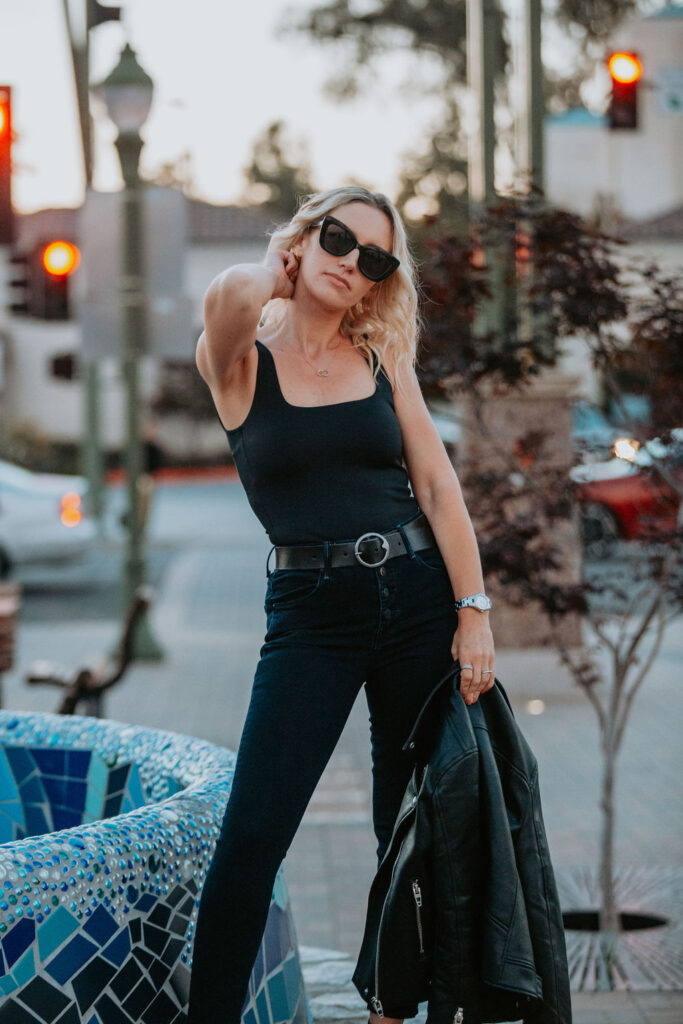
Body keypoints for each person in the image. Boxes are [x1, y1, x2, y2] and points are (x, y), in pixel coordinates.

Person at [186, 185, 496, 1024]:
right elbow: (229, 295)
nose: (350, 262)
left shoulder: (377, 356)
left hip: (418, 601)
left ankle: (393, 1006)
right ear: (301, 236)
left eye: (374, 258)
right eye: (335, 237)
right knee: (253, 834)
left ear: (381, 279)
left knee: (410, 827)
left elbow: (435, 483)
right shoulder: (240, 354)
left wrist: (474, 610)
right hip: (311, 614)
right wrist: (274, 272)